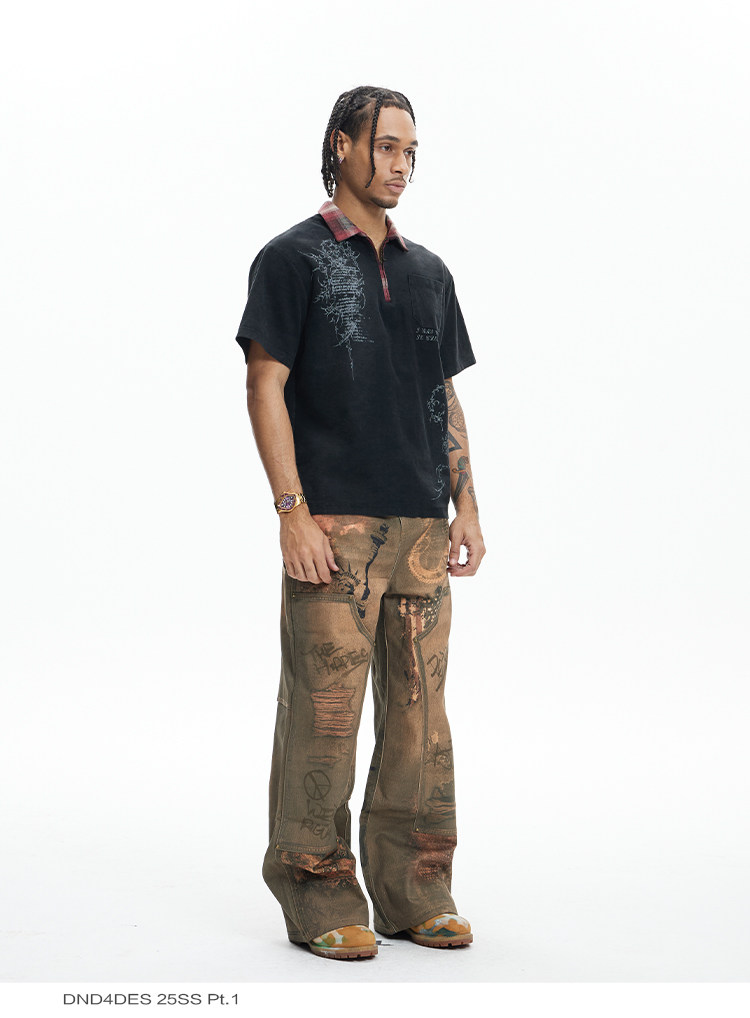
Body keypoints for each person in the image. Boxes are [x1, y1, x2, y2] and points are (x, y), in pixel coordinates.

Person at [234, 85, 485, 961]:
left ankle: (416, 891)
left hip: (420, 528)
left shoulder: (429, 272)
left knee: (421, 722)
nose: (400, 164)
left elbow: (441, 392)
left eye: (411, 151)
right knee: (326, 714)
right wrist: (291, 513)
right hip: (333, 528)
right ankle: (315, 892)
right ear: (340, 145)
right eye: (385, 146)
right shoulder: (291, 258)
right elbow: (264, 383)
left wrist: (466, 505)